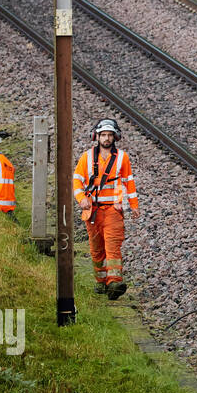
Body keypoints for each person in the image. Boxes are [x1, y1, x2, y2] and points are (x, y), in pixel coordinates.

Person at [72, 118, 139, 299]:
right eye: (103, 135)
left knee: (112, 246)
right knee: (96, 249)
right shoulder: (86, 157)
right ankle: (101, 282)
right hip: (92, 211)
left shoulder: (122, 158)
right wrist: (81, 199)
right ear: (97, 137)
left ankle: (114, 281)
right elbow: (77, 180)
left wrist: (134, 206)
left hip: (113, 211)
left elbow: (129, 182)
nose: (107, 138)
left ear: (115, 137)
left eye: (110, 135)